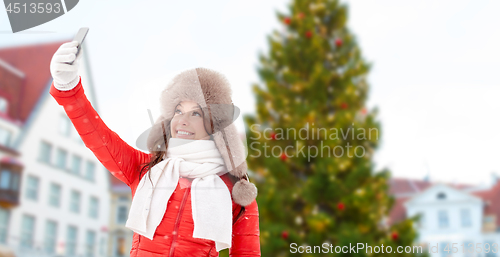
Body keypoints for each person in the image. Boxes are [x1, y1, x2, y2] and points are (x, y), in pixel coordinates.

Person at [49, 41, 261, 257]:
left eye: (196, 113)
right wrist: (69, 88)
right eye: (178, 111)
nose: (182, 121)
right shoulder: (145, 170)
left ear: (215, 125)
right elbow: (98, 136)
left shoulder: (236, 191)